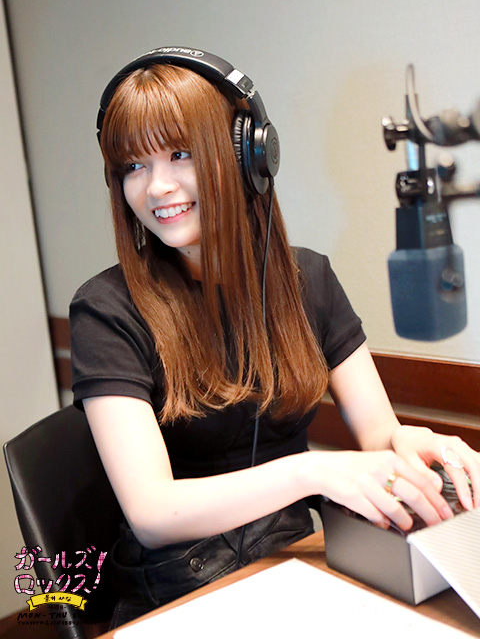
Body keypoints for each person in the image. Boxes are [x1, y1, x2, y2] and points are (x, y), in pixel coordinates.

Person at [69, 47, 480, 627]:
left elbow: (379, 432)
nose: (156, 187)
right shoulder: (105, 309)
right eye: (133, 166)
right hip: (179, 590)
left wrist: (413, 441)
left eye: (180, 154)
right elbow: (152, 512)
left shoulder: (307, 278)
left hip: (295, 560)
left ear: (247, 156)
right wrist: (312, 471)